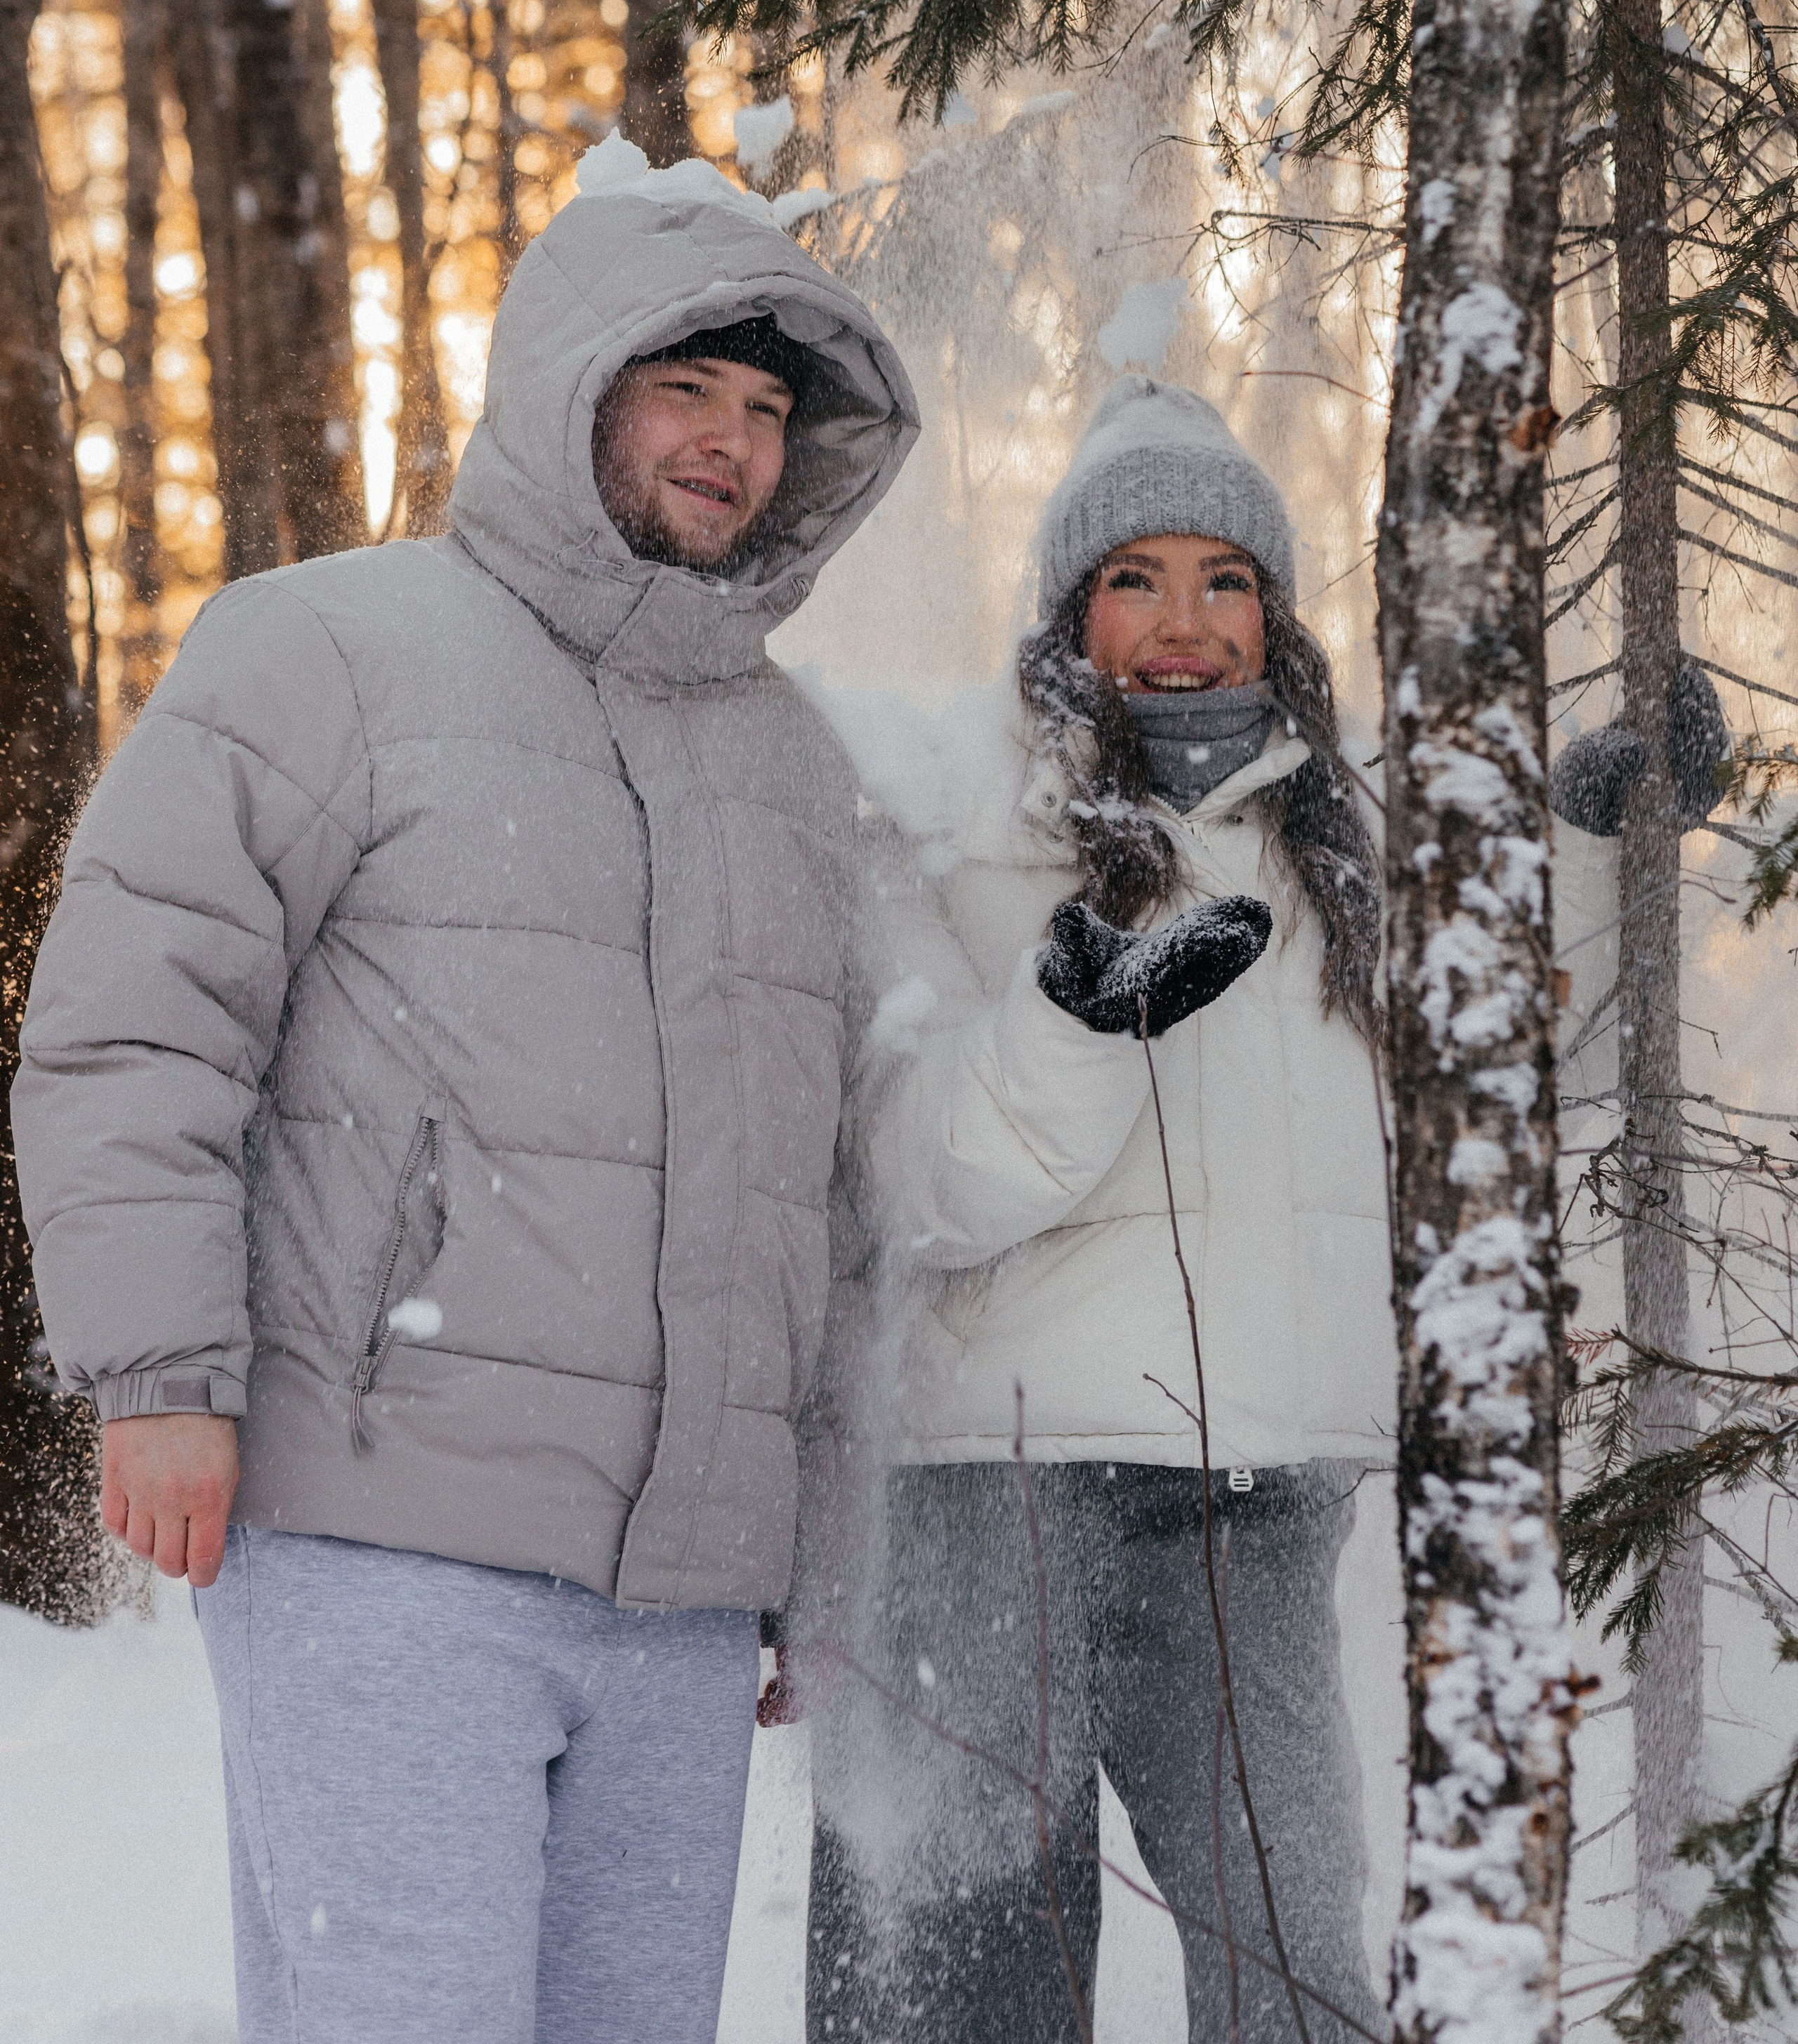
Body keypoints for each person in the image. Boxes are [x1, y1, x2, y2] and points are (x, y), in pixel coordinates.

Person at [13, 132, 919, 2044]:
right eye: (686, 383)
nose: (729, 441)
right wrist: (159, 1376)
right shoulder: (328, 649)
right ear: (573, 381)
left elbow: (828, 1195)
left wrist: (808, 1546)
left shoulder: (795, 768)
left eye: (766, 408)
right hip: (382, 1543)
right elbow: (134, 1016)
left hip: (680, 1604)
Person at [799, 371, 1726, 2044]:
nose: (1180, 625)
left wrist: (1593, 838)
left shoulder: (1349, 844)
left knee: (1292, 1957)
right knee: (961, 1970)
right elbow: (912, 1188)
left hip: (1252, 1496)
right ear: (1067, 612)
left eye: (1222, 581)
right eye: (1132, 581)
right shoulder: (953, 820)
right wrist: (1078, 1025)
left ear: (1273, 616)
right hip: (984, 1487)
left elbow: (1498, 1079)